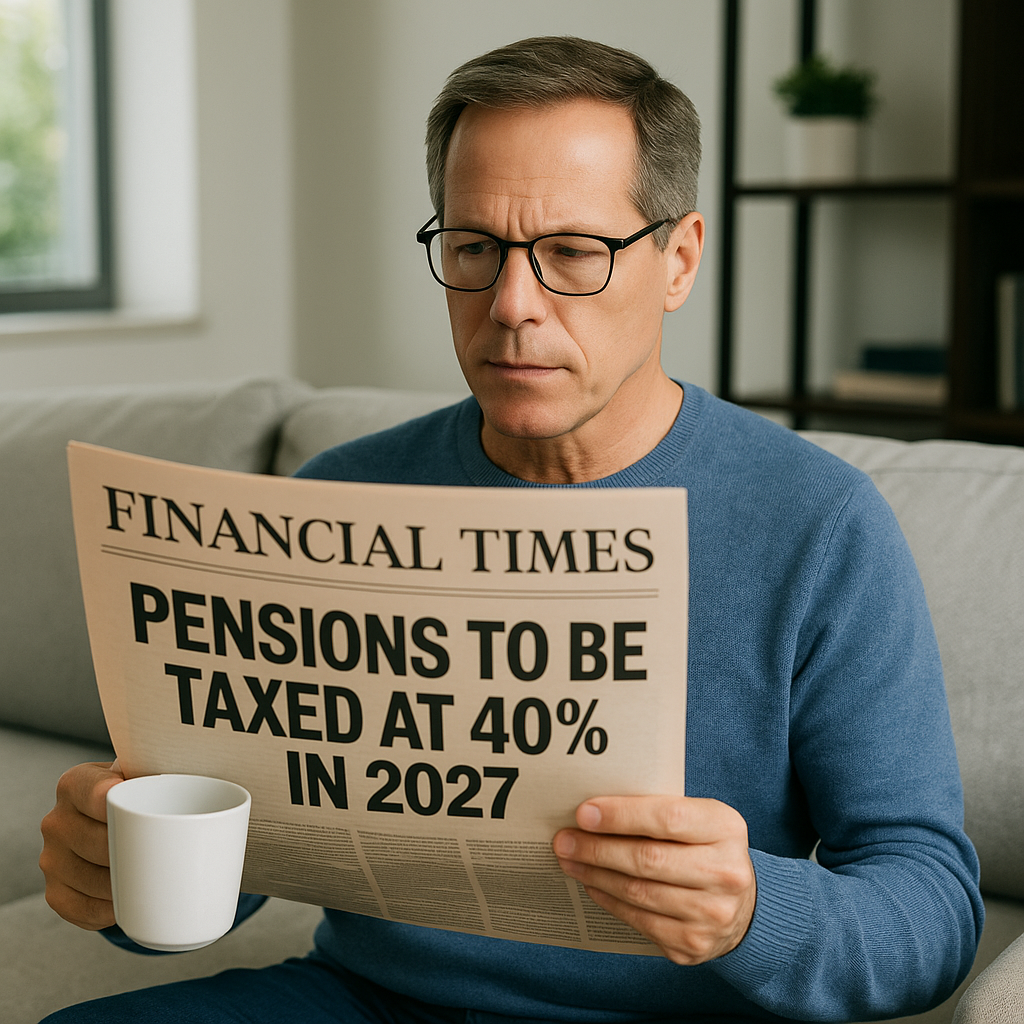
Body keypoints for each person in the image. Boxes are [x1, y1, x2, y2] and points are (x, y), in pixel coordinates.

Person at [39, 36, 982, 1023]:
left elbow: (932, 912)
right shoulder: (337, 500)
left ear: (678, 259)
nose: (511, 305)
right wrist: (119, 873)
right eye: (474, 248)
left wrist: (750, 908)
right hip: (365, 999)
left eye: (572, 252)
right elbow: (234, 864)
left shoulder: (818, 524)